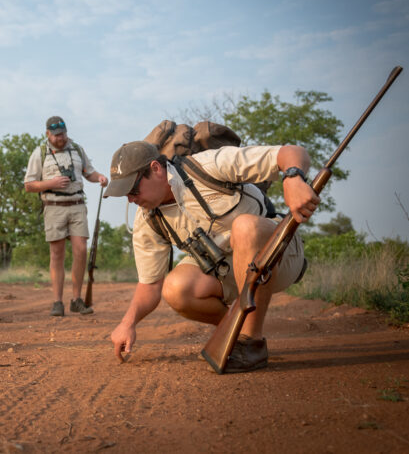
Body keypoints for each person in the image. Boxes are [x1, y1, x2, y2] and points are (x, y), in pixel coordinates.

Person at [104, 140, 318, 372]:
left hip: (280, 256)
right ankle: (235, 332)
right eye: (124, 193)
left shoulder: (208, 166)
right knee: (175, 288)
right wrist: (128, 324)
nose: (130, 199)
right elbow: (150, 285)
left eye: (133, 190)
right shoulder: (147, 218)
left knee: (245, 227)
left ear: (156, 169)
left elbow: (293, 152)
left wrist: (293, 177)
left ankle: (251, 343)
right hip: (225, 270)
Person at [24, 116, 108, 316]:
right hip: (54, 206)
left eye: (63, 134)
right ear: (47, 134)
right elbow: (29, 185)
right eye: (56, 135)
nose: (60, 138)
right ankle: (57, 302)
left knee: (80, 250)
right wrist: (51, 184)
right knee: (57, 254)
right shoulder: (40, 153)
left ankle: (77, 299)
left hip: (77, 204)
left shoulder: (77, 149)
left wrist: (100, 178)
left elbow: (89, 173)